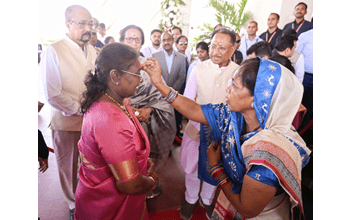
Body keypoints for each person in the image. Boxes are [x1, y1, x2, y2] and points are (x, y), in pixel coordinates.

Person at [142, 56, 311, 219]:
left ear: (257, 99)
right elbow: (194, 110)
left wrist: (216, 169)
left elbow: (247, 209)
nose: (228, 89)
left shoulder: (269, 152)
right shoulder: (234, 115)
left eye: (235, 86)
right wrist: (158, 82)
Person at [75, 42, 158, 220]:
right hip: (110, 208)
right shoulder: (110, 119)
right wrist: (152, 182)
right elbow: (130, 185)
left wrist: (142, 161)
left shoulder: (111, 101)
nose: (141, 80)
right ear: (115, 76)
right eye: (137, 74)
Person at [39, 5, 97, 219]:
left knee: (90, 166)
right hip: (67, 123)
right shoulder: (54, 50)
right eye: (82, 23)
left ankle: (87, 201)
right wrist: (81, 109)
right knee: (69, 168)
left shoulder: (91, 50)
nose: (88, 28)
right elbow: (52, 94)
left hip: (92, 123)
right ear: (68, 24)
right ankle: (73, 206)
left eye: (90, 23)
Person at [179, 28, 240, 220]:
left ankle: (207, 199)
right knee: (192, 166)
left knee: (216, 167)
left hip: (223, 130)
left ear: (232, 49)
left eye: (222, 48)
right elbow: (188, 99)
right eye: (213, 46)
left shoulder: (238, 72)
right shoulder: (198, 68)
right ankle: (190, 198)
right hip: (196, 127)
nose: (215, 51)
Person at [120, 24, 176, 198]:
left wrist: (150, 110)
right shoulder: (112, 66)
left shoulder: (149, 66)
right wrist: (129, 111)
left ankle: (146, 184)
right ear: (122, 41)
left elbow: (162, 94)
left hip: (146, 122)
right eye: (129, 38)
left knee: (144, 155)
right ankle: (127, 186)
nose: (132, 43)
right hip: (119, 122)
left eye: (136, 39)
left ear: (142, 43)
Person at [153, 31, 186, 138]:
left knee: (175, 118)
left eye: (168, 39)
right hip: (159, 95)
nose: (166, 42)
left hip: (175, 94)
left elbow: (182, 76)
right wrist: (162, 90)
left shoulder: (181, 57)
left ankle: (175, 136)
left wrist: (170, 91)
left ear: (172, 41)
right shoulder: (155, 56)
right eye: (164, 40)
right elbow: (154, 75)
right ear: (161, 42)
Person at [295, 29, 313, 132]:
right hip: (306, 76)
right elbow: (297, 54)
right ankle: (294, 131)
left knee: (311, 108)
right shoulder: (305, 36)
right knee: (300, 105)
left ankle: (302, 133)